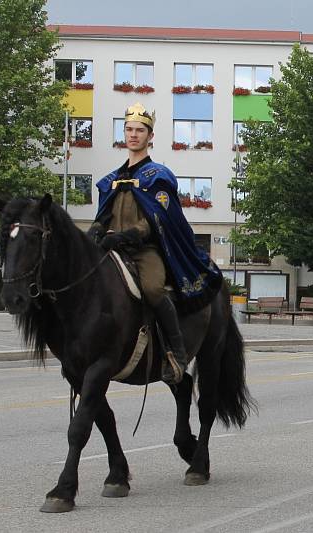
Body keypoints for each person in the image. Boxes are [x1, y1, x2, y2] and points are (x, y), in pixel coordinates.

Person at [88, 103, 222, 384]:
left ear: (150, 136)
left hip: (144, 250)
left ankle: (175, 352)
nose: (133, 135)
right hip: (112, 250)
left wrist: (128, 236)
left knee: (152, 288)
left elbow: (159, 217)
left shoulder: (157, 176)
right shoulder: (111, 180)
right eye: (129, 129)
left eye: (140, 130)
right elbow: (103, 216)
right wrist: (96, 231)